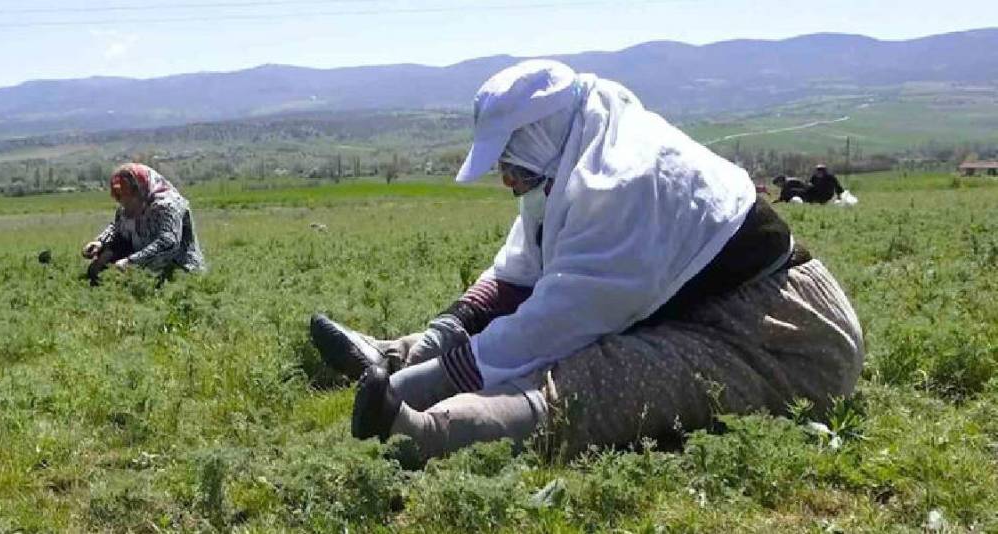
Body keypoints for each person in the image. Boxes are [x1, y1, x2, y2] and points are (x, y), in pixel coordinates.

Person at [310, 60, 864, 461]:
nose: (507, 179)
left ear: (545, 140)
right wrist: (436, 343)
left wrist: (423, 386)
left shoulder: (625, 183)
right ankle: (392, 356)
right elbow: (518, 274)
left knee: (596, 379)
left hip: (784, 334)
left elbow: (549, 327)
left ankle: (425, 431)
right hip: (709, 305)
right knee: (536, 344)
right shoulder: (577, 162)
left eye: (514, 165)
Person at [82, 163, 206, 285]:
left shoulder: (169, 205)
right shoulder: (126, 208)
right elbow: (118, 228)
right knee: (99, 265)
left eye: (125, 195)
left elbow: (168, 243)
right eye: (118, 197)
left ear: (139, 190)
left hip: (180, 271)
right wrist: (100, 242)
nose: (122, 201)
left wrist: (131, 262)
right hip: (144, 271)